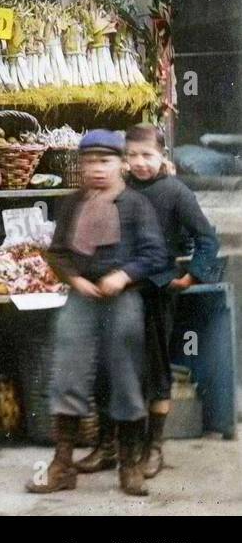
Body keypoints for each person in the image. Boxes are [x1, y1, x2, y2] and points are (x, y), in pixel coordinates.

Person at [72, 123, 220, 478]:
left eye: (148, 156)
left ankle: (152, 448)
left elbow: (207, 237)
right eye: (133, 155)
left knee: (155, 371)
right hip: (116, 292)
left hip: (155, 294)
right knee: (108, 370)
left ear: (162, 156)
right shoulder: (115, 190)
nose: (140, 163)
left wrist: (193, 275)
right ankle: (107, 446)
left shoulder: (175, 192)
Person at [30, 129, 168, 498]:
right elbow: (58, 252)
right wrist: (75, 280)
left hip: (122, 296)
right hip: (83, 296)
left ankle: (130, 465)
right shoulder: (73, 203)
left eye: (105, 161)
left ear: (121, 164)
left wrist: (123, 276)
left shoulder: (136, 205)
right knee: (67, 369)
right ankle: (62, 465)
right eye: (89, 162)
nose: (97, 169)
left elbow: (156, 255)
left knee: (125, 374)